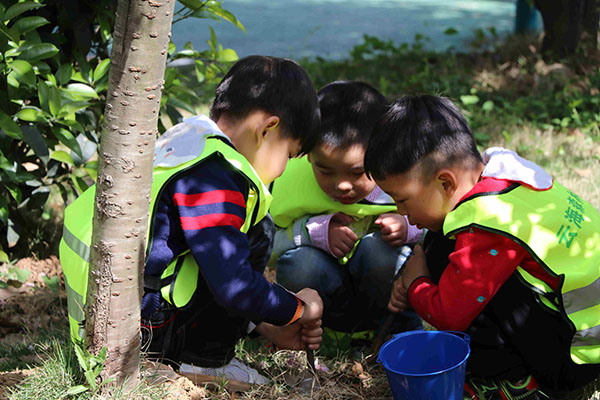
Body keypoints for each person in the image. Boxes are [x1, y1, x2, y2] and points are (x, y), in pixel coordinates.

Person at [59, 55, 324, 390]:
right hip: (138, 331)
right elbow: (234, 284)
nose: (284, 168)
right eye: (289, 154)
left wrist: (265, 323)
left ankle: (197, 349)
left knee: (252, 226)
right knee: (258, 231)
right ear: (267, 129)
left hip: (101, 316)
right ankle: (202, 358)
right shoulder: (217, 178)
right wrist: (298, 309)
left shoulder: (189, 141)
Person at [363, 94, 600, 399]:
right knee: (441, 243)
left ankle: (512, 380)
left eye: (402, 200)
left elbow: (449, 315)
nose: (401, 211)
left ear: (445, 183)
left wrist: (416, 282)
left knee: (444, 260)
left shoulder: (487, 226)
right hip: (584, 334)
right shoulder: (502, 174)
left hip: (575, 358)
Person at [269, 81, 424, 337]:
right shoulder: (288, 182)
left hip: (387, 300)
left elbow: (440, 232)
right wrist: (308, 232)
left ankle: (399, 332)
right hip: (326, 305)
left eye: (357, 172)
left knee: (379, 251)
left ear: (383, 153)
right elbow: (266, 250)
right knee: (301, 263)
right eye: (325, 171)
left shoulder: (402, 178)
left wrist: (409, 227)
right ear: (307, 155)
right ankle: (314, 333)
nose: (342, 185)